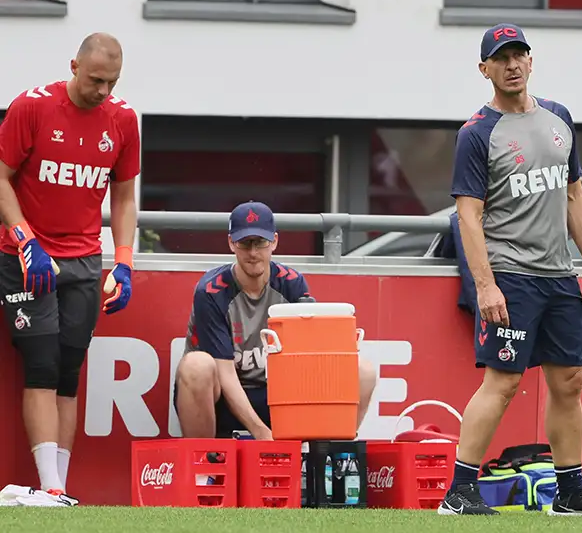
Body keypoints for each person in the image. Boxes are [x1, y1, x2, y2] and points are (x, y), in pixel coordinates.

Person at [438, 23, 582, 517]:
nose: (513, 64)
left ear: (531, 61)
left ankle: (568, 493)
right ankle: (459, 492)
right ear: (485, 70)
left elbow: (574, 194)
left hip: (558, 276)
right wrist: (486, 285)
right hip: (511, 276)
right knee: (503, 383)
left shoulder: (559, 118)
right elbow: (468, 216)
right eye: (502, 58)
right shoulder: (477, 133)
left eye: (519, 54)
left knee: (570, 381)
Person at [0, 33, 140, 507]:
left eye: (112, 82)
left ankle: (58, 490)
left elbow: (123, 194)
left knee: (67, 371)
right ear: (74, 66)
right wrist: (23, 238)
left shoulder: (122, 119)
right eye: (96, 79)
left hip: (83, 258)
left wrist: (123, 260)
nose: (102, 90)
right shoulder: (32, 107)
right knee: (40, 366)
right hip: (27, 256)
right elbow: (0, 177)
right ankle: (51, 484)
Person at [173, 201, 379, 441]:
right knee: (196, 366)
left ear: (274, 242)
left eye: (260, 243)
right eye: (244, 243)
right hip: (224, 399)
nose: (253, 253)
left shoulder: (292, 283)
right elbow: (225, 375)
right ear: (231, 243)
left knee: (362, 370)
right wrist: (261, 432)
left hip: (277, 398)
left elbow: (307, 361)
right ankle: (206, 466)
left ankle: (327, 459)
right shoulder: (210, 291)